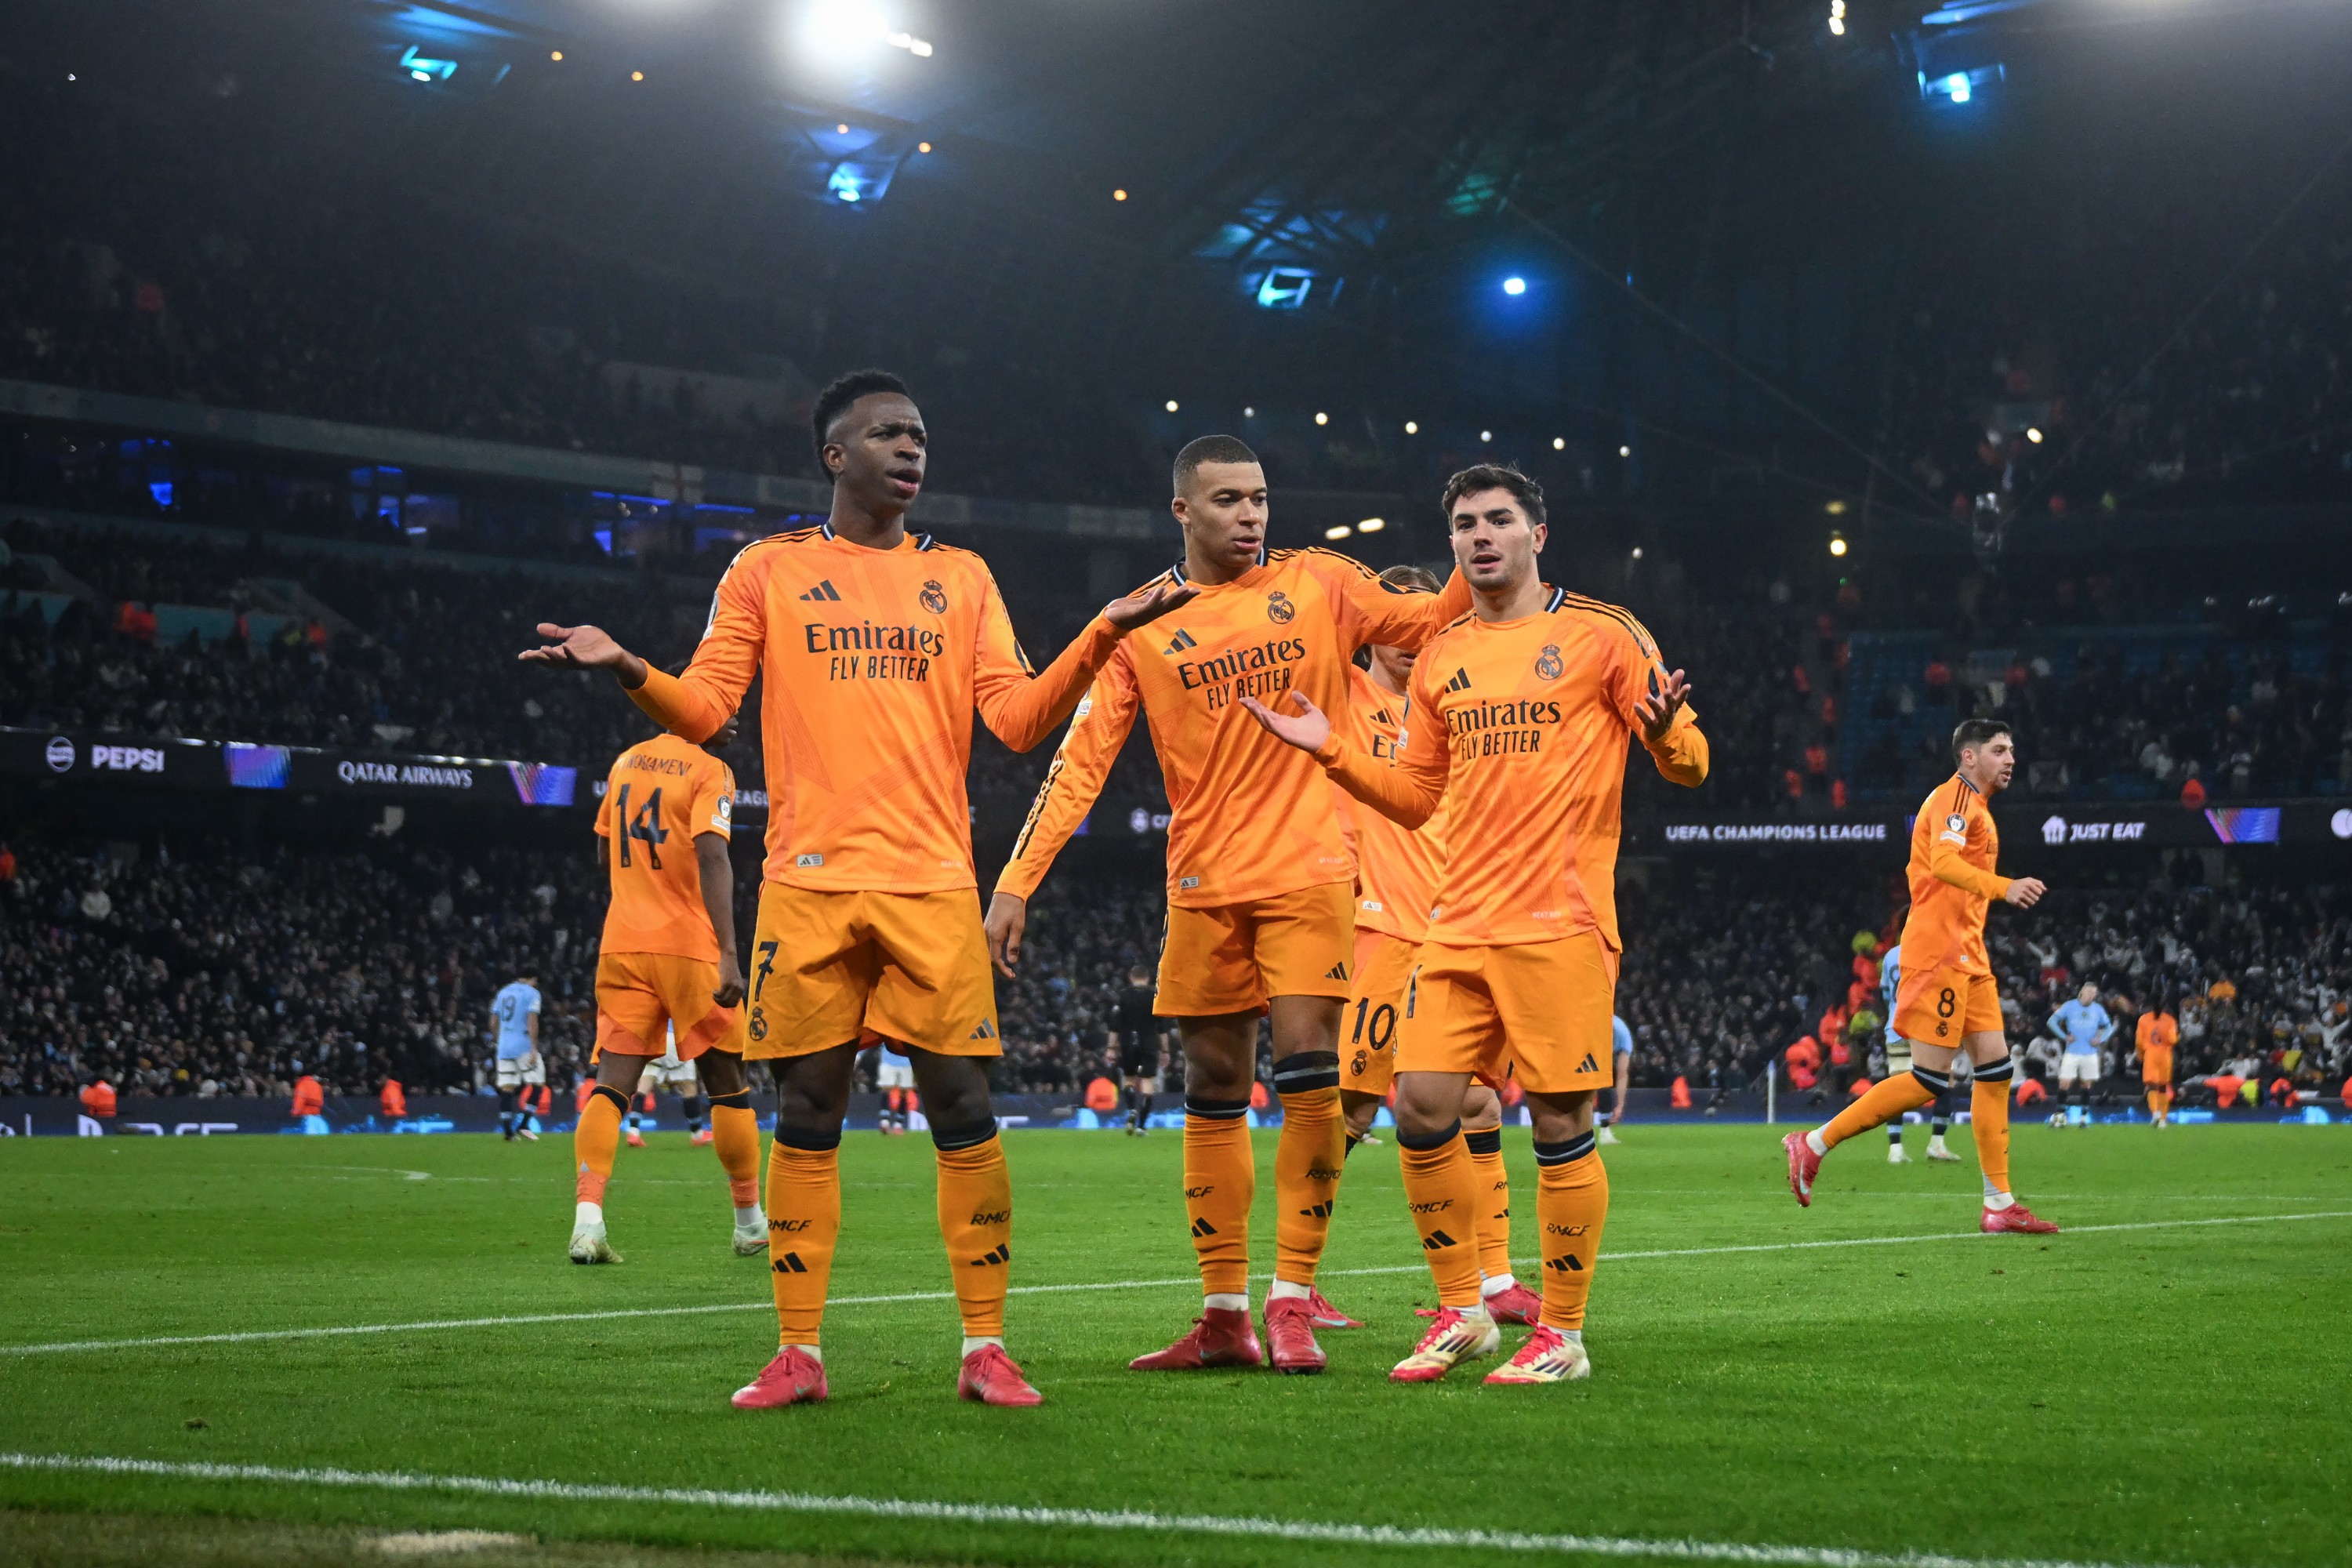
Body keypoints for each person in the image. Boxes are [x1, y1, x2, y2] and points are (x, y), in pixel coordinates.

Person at [524, 368, 1192, 1409]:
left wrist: (1104, 628)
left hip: (931, 885)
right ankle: (799, 1352)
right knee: (811, 1107)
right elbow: (705, 712)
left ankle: (985, 1349)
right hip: (808, 883)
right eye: (886, 433)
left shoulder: (963, 576)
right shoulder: (766, 571)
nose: (910, 447)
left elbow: (1015, 721)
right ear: (835, 455)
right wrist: (624, 666)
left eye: (920, 433)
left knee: (963, 1104)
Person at [987, 434, 1470, 1375]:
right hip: (1203, 882)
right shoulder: (1146, 625)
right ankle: (1222, 1314)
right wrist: (1015, 879)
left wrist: (1480, 546)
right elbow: (1077, 764)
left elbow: (1426, 620)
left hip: (1310, 872)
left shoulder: (1322, 581)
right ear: (1183, 511)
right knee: (1210, 1092)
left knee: (1307, 1076)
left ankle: (1292, 1297)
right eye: (1228, 500)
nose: (1250, 514)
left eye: (1258, 497)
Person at [1242, 463, 1708, 1385]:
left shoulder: (1604, 636)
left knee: (1563, 1121)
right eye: (1464, 523)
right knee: (1420, 1108)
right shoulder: (1446, 654)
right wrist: (1330, 750)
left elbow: (1691, 764)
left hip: (1559, 921)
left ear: (1539, 531)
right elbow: (1416, 796)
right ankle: (1465, 1310)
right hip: (1455, 923)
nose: (1480, 535)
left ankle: (1563, 1334)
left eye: (1498, 519)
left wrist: (1661, 733)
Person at [1332, 563, 1541, 1329]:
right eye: (1404, 627)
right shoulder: (1349, 696)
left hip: (1462, 923)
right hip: (1384, 924)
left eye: (1432, 627)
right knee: (1352, 1107)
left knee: (1480, 1099)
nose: (1419, 641)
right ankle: (1298, 1277)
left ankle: (1494, 1282)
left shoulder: (1452, 704)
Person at [1783, 719, 2059, 1235]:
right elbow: (1944, 864)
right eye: (1999, 749)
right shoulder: (1954, 801)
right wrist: (2004, 887)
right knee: (1929, 1079)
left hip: (1970, 958)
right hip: (1938, 957)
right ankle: (1814, 1142)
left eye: (2013, 749)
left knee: (1996, 1072)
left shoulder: (1977, 808)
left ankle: (1999, 1204)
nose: (2010, 759)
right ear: (1969, 757)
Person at [569, 713, 767, 1265]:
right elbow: (712, 855)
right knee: (729, 1087)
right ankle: (750, 1222)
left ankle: (588, 1223)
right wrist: (729, 951)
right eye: (726, 709)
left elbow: (605, 849)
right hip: (690, 947)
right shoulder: (710, 770)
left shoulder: (626, 761)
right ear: (695, 710)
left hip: (623, 943)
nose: (734, 722)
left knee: (611, 1088)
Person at [1878, 942, 1958, 1164]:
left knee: (1896, 1089)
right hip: (1926, 1028)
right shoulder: (1930, 950)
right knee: (1944, 1083)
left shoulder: (1891, 955)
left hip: (1896, 1028)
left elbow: (1885, 993)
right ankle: (1937, 1144)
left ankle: (1895, 1149)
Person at [1108, 964, 1166, 1134]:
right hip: (1148, 1044)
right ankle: (1141, 1126)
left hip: (1128, 1044)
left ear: (1131, 978)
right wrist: (1165, 1051)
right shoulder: (1154, 996)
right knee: (1148, 1085)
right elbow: (1162, 1028)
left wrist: (1111, 1048)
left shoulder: (1124, 996)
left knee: (1128, 1080)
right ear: (1147, 978)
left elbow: (1115, 1025)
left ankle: (1132, 1108)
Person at [2048, 982, 2117, 1123]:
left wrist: (2101, 1038)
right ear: (2082, 992)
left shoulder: (2098, 1009)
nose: (2092, 996)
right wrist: (2064, 1036)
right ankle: (2060, 1114)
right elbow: (2051, 1022)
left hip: (2090, 1053)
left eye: (2094, 994)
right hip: (2072, 1052)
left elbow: (2108, 1027)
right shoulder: (2069, 1006)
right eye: (2090, 993)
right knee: (2064, 1082)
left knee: (2086, 1084)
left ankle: (2084, 1116)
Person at [491, 971, 543, 1142]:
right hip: (523, 1045)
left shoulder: (503, 992)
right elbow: (532, 1020)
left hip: (504, 1047)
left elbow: (493, 1021)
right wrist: (533, 1047)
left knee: (507, 1088)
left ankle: (507, 1132)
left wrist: (500, 1041)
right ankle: (524, 1125)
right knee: (538, 1083)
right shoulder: (532, 993)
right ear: (532, 979)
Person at [2138, 998, 2179, 1127]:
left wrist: (2140, 1055)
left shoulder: (2143, 1019)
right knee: (2162, 1087)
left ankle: (2155, 1112)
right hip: (2165, 1056)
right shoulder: (2170, 1020)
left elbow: (2139, 1041)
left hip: (2150, 1054)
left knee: (2151, 1086)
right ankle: (2163, 1119)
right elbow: (2173, 1040)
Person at [1595, 1014, 1632, 1145]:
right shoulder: (1591, 1031)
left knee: (1604, 1082)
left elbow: (1622, 1074)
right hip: (1584, 1041)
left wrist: (1620, 1105)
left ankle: (1605, 1131)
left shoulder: (1623, 1036)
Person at [873, 1038, 916, 1136]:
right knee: (886, 1088)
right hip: (888, 1060)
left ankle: (898, 1125)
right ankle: (884, 1122)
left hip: (907, 1061)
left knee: (904, 1092)